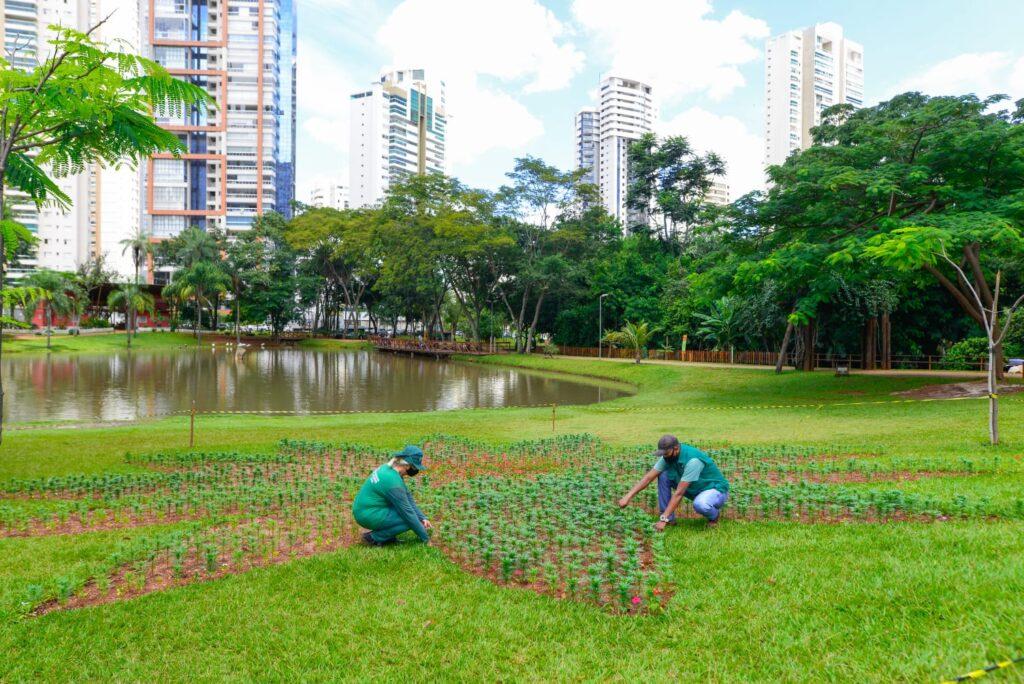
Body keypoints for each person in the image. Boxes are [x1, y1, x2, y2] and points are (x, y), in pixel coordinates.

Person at [617, 434, 730, 529]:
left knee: (700, 504)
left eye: (666, 453)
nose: (664, 456)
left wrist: (663, 520)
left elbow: (679, 493)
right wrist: (628, 496)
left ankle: (714, 517)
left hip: (714, 491)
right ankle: (669, 519)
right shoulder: (669, 456)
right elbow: (648, 478)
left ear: (676, 448)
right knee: (663, 475)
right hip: (695, 488)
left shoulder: (693, 461)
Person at [352, 445, 432, 546]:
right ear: (408, 465)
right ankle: (374, 538)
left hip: (363, 509)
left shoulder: (389, 469)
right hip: (367, 514)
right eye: (415, 467)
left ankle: (388, 536)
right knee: (408, 520)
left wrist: (422, 517)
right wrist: (426, 538)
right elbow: (408, 514)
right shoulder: (393, 482)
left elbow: (408, 498)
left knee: (410, 515)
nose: (416, 470)